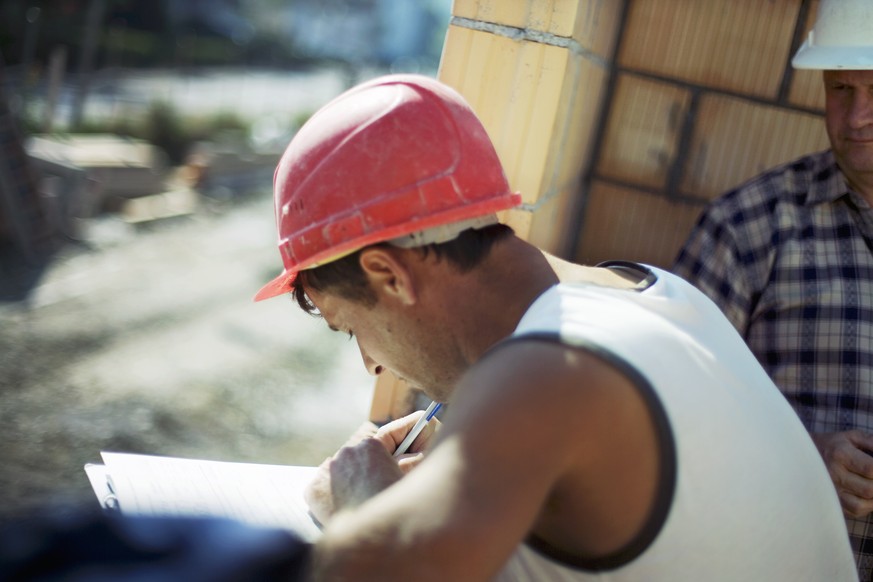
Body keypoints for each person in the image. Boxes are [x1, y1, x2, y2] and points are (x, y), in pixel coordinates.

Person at [254, 73, 856, 581]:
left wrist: (357, 494)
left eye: (350, 329)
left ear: (389, 275)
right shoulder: (648, 290)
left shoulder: (549, 368)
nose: (371, 364)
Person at [672, 1, 873, 578]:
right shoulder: (746, 228)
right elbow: (662, 405)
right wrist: (804, 455)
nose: (856, 117)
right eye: (840, 89)